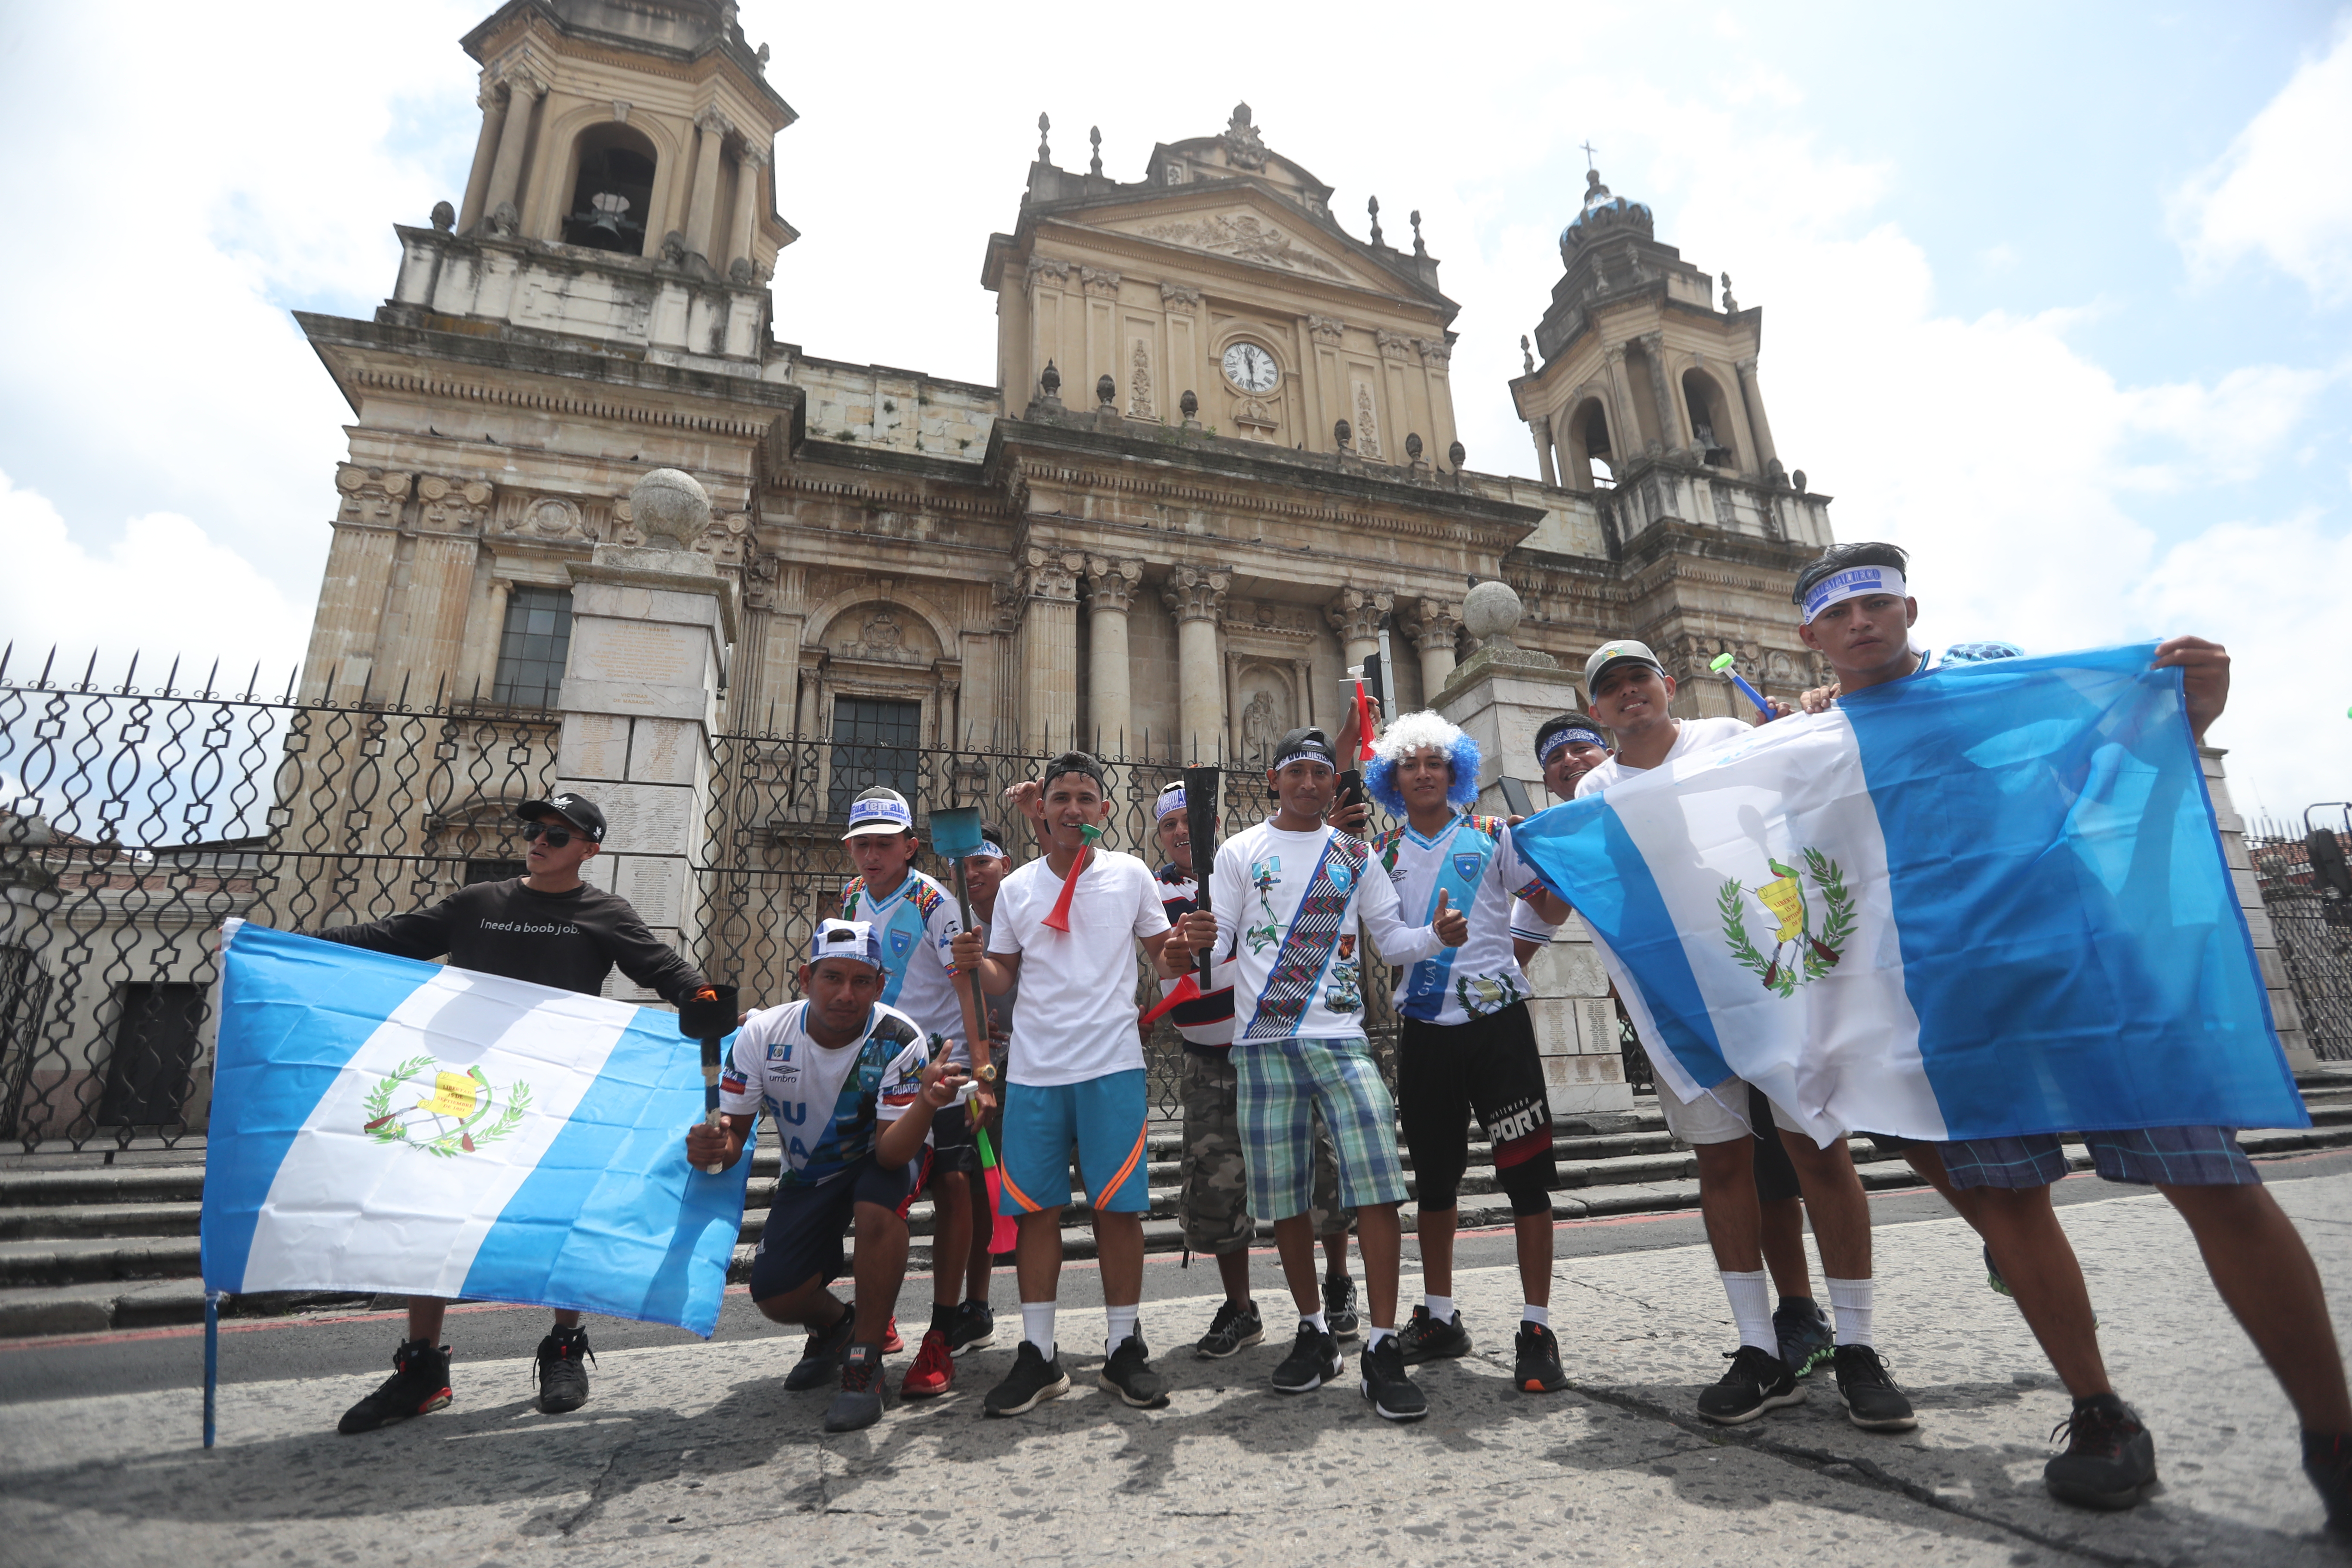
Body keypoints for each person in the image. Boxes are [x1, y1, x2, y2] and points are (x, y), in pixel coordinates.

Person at [1790, 540, 2351, 1525]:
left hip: (2088, 965)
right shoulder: (1817, 738)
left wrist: (2190, 713)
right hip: (1952, 996)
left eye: (1873, 605)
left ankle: (2333, 1432)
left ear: (1909, 610)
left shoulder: (1991, 677)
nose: (1858, 625)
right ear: (1809, 638)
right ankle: (2096, 1410)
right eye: (1835, 616)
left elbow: (2116, 753)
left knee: (2213, 1181)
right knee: (2005, 1208)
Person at [1576, 641, 1917, 1433]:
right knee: (1721, 1161)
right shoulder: (1594, 787)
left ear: (1666, 686)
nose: (1630, 695)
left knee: (1818, 1150)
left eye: (1640, 680)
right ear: (1596, 709)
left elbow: (1817, 781)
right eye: (1612, 689)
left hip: (1769, 970)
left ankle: (1859, 1343)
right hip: (1683, 992)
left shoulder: (1729, 738)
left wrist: (1826, 713)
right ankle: (1758, 1345)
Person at [316, 792, 721, 1432]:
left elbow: (666, 972)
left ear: (590, 849)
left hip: (558, 1091)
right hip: (461, 1089)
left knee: (565, 1216)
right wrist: (289, 946)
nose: (539, 841)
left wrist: (707, 1002)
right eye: (534, 830)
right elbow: (389, 939)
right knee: (434, 1216)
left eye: (558, 836)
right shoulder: (478, 904)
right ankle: (422, 1368)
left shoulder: (605, 912)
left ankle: (563, 1347)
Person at [1162, 726, 1469, 1423]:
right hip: (1262, 1041)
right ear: (1274, 779)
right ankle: (1312, 1328)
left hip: (1340, 1038)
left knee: (1377, 1188)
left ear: (1335, 784)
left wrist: (1434, 937)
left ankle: (1383, 1342)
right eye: (1295, 771)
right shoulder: (1239, 851)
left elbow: (1390, 940)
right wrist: (1193, 944)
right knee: (1284, 1200)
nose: (1307, 782)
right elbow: (1224, 943)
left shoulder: (1356, 856)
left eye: (1319, 773)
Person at [949, 752, 1185, 1416]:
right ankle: (1040, 1354)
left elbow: (1163, 957)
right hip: (1037, 1071)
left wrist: (1187, 947)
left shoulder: (1131, 875)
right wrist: (973, 964)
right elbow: (1001, 973)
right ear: (1044, 810)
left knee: (1120, 1211)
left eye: (1086, 798)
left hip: (1112, 1067)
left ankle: (1120, 1349)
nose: (1074, 809)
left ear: (1103, 812)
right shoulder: (1019, 887)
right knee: (1036, 1213)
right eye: (1062, 798)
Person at [1363, 713, 1577, 1393]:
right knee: (1434, 1184)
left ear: (1455, 771)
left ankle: (1537, 1327)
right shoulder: (1382, 854)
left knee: (1527, 1180)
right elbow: (1386, 944)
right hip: (1427, 1028)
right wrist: (1438, 938)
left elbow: (1547, 911)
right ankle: (1440, 1316)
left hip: (1497, 1025)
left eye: (1436, 762)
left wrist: (1548, 898)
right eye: (1409, 764)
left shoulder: (1493, 835)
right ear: (1392, 779)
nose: (1424, 772)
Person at [687, 919, 970, 1433]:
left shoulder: (899, 1039)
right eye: (832, 978)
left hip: (881, 1157)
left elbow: (889, 1154)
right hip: (812, 1172)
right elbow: (731, 1143)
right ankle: (836, 1326)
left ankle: (865, 1361)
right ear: (804, 979)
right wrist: (710, 1147)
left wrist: (927, 1104)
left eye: (862, 981)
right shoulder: (761, 1033)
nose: (846, 994)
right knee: (775, 1296)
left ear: (880, 986)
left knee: (876, 1202)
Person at [1148, 780, 1361, 1362]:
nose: (1181, 834)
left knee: (1319, 1167)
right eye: (1169, 826)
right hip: (1206, 1061)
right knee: (1218, 1186)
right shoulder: (1155, 890)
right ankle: (1241, 1309)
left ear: (1213, 827)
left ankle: (1338, 1283)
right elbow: (1161, 958)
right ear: (1161, 836)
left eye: (1190, 823)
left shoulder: (1248, 870)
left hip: (1275, 1050)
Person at [835, 787, 990, 1402]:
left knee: (953, 1191)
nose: (871, 855)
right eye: (861, 844)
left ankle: (943, 1332)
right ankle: (878, 1316)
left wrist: (981, 1073)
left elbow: (969, 989)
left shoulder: (936, 901)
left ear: (910, 846)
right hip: (878, 1074)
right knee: (880, 1199)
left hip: (942, 1070)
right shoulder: (850, 897)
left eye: (882, 844)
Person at [950, 832, 1015, 1358]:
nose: (973, 873)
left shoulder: (1028, 907)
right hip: (983, 1068)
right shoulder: (953, 923)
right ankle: (976, 1306)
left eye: (982, 862)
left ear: (1004, 865)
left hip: (1038, 1061)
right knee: (978, 1183)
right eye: (963, 864)